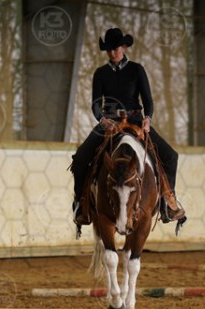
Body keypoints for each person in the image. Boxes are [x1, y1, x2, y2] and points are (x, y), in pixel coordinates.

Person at [71, 28, 185, 225]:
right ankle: (81, 204)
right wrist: (101, 119)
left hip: (136, 121)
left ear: (124, 47)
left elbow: (148, 100)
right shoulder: (100, 73)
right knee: (80, 158)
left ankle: (168, 202)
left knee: (170, 156)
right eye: (108, 50)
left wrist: (147, 118)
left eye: (115, 48)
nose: (112, 53)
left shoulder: (137, 69)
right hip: (109, 123)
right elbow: (96, 103)